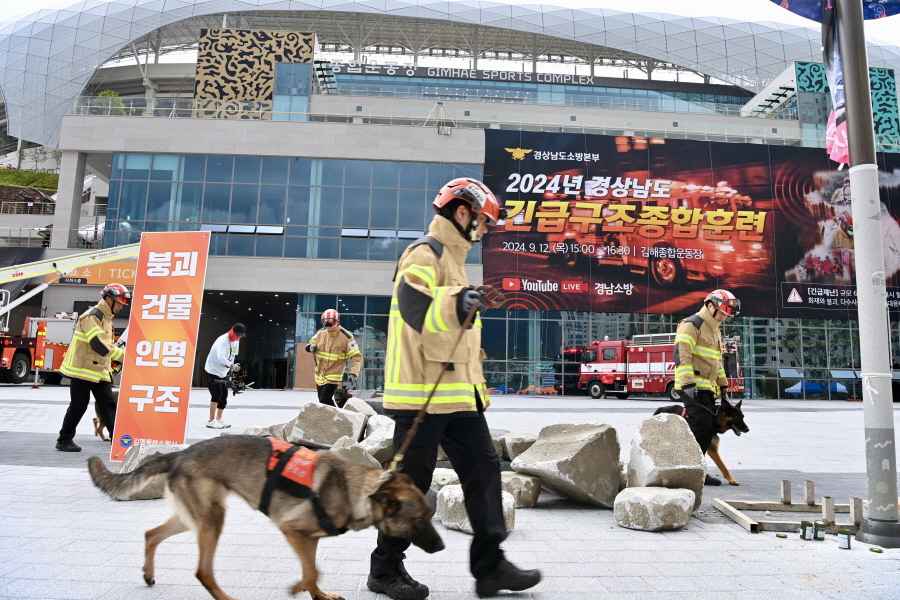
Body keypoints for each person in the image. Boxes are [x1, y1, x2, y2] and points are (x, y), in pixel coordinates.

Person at [367, 178, 541, 600]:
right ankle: (385, 570)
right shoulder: (424, 252)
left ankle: (490, 567)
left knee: (484, 474)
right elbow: (412, 304)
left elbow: (459, 340)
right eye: (482, 221)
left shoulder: (458, 261)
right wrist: (454, 303)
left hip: (459, 399)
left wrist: (478, 389)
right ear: (462, 212)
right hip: (420, 397)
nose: (483, 231)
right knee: (412, 484)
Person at [673, 289, 740, 486]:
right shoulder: (691, 324)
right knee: (700, 424)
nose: (724, 318)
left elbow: (717, 362)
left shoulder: (715, 329)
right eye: (722, 313)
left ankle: (697, 470)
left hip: (708, 388)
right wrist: (687, 383)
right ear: (710, 305)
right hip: (692, 386)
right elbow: (681, 354)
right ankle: (683, 467)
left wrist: (723, 385)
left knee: (709, 427)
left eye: (727, 315)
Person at [56, 283, 130, 452]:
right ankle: (64, 440)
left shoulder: (106, 317)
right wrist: (126, 357)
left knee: (107, 403)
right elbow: (98, 344)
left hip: (99, 370)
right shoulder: (92, 316)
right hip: (82, 370)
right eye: (119, 303)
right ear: (109, 299)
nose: (121, 306)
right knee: (79, 405)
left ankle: (117, 440)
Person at [304, 309, 362, 406]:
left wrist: (354, 373)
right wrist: (310, 347)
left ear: (336, 321)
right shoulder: (320, 333)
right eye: (325, 321)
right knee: (323, 402)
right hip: (320, 374)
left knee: (324, 399)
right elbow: (311, 344)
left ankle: (337, 418)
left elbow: (357, 357)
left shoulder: (346, 337)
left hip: (334, 374)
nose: (327, 324)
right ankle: (335, 417)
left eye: (330, 321)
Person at [204, 323, 245, 429]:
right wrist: (231, 365)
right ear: (232, 330)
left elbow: (233, 355)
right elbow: (220, 357)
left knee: (224, 396)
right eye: (237, 335)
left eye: (240, 336)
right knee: (216, 395)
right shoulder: (222, 340)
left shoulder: (237, 341)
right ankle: (211, 421)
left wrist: (231, 370)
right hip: (213, 369)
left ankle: (219, 419)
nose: (238, 337)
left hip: (223, 371)